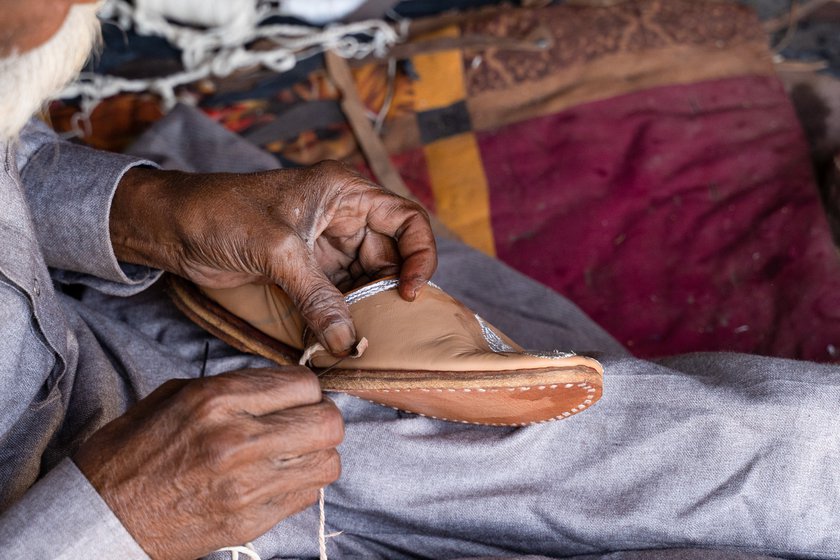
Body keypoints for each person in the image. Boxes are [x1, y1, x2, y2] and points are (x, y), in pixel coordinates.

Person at [1, 2, 838, 560]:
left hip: (136, 354)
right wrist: (115, 519)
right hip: (130, 521)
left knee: (802, 440)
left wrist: (147, 210)